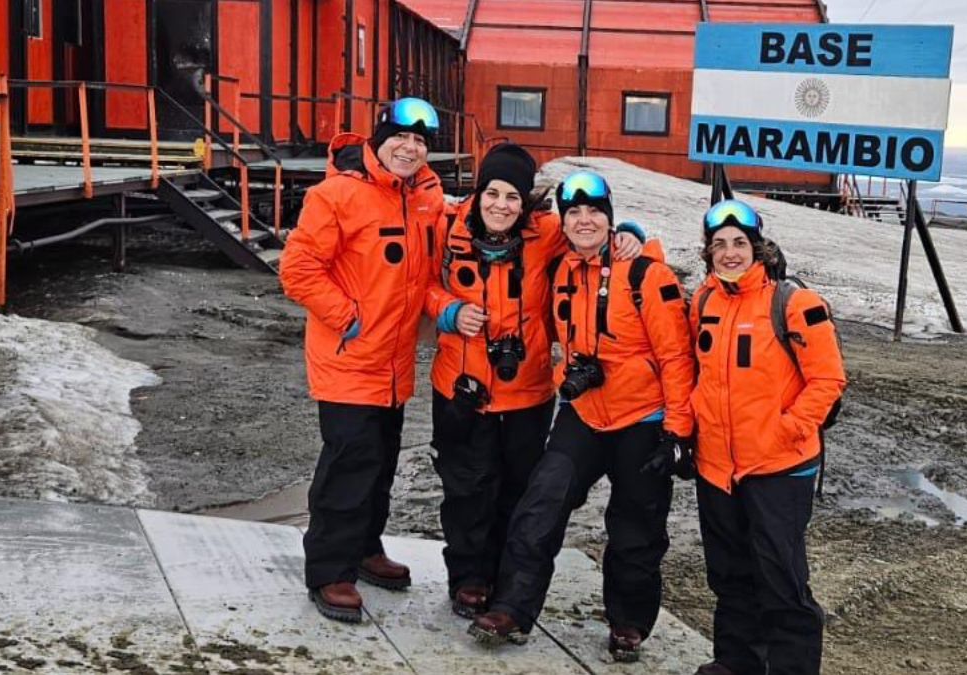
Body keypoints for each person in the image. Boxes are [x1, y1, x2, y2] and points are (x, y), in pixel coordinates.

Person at [468, 170, 696, 663]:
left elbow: (676, 356)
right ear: (564, 222)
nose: (584, 220)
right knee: (539, 507)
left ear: (610, 219)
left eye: (595, 212)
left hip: (642, 419)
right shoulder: (564, 269)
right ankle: (512, 608)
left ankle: (628, 623)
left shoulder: (646, 275)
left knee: (636, 527)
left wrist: (678, 430)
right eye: (573, 212)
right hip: (584, 414)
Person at [423, 145, 645, 618]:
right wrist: (448, 309)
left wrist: (632, 234)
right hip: (461, 385)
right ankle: (468, 578)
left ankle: (504, 582)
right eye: (494, 193)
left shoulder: (545, 233)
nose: (501, 205)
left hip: (527, 390)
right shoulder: (447, 228)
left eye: (513, 197)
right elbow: (419, 282)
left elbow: (593, 240)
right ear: (480, 192)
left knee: (518, 489)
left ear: (527, 202)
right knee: (466, 488)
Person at [279, 97, 446, 623]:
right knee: (347, 466)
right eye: (401, 136)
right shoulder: (336, 195)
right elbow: (298, 269)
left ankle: (366, 547)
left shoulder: (425, 197)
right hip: (349, 359)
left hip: (395, 365)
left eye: (421, 141)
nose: (411, 147)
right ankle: (331, 570)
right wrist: (347, 315)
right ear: (378, 139)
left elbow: (455, 231)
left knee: (379, 463)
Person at [687, 200, 846, 675]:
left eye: (739, 244)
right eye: (719, 245)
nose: (729, 253)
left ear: (758, 249)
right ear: (708, 253)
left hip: (779, 468)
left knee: (782, 582)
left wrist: (789, 429)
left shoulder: (795, 303)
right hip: (717, 468)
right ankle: (736, 664)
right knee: (730, 576)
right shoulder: (703, 301)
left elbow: (828, 380)